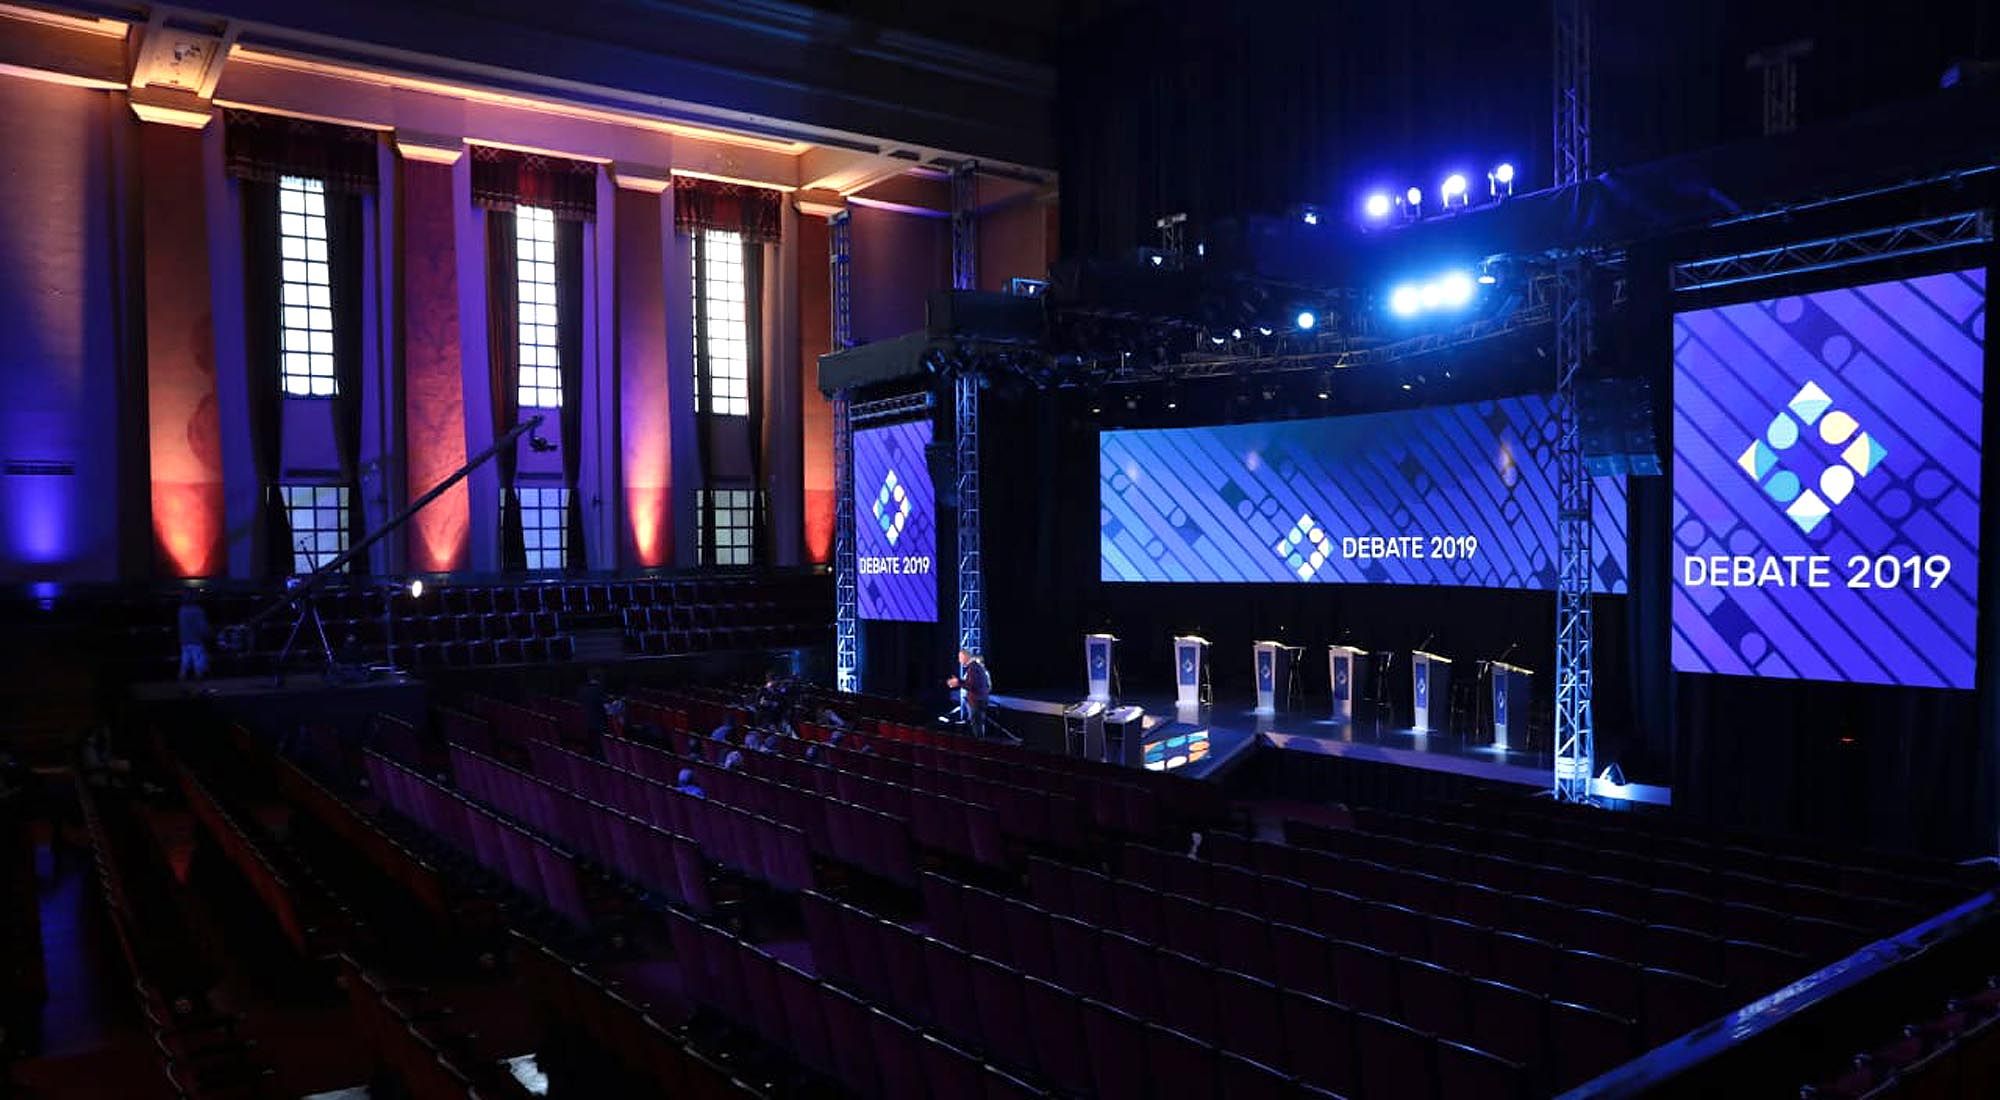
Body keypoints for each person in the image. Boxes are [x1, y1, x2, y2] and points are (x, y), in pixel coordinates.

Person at [946, 648, 991, 739]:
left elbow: (971, 685)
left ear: (965, 657)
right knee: (978, 725)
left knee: (977, 727)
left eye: (960, 657)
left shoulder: (973, 668)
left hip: (977, 701)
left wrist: (958, 682)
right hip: (980, 700)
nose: (959, 660)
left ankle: (979, 748)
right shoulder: (974, 667)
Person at [177, 589, 211, 683]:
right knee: (199, 663)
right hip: (196, 641)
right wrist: (207, 635)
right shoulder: (197, 610)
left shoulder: (181, 611)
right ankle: (199, 683)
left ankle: (182, 682)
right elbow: (201, 626)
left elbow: (181, 626)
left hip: (185, 641)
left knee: (185, 663)